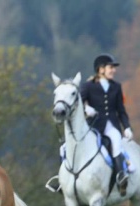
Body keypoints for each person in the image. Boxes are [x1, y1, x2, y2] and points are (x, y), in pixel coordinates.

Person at [46, 53, 133, 195]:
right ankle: (62, 180)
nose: (113, 70)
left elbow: (121, 110)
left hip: (111, 125)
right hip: (94, 125)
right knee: (64, 148)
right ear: (101, 69)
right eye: (111, 67)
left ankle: (120, 177)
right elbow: (77, 102)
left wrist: (127, 127)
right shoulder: (88, 86)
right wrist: (87, 108)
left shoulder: (116, 87)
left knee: (116, 142)